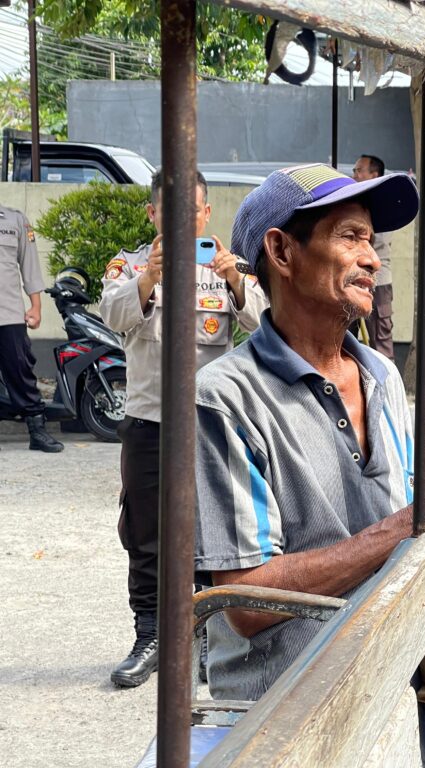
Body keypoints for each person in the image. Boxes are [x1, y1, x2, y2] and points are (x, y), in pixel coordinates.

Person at [192, 163, 425, 767]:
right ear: (282, 251)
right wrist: (416, 521)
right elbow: (247, 601)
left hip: (403, 694)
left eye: (373, 243)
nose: (373, 260)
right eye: (350, 237)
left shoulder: (382, 376)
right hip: (293, 720)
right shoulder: (224, 397)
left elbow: (415, 548)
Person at [99, 169, 268, 688]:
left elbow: (268, 325)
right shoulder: (128, 266)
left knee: (210, 529)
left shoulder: (226, 267)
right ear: (152, 214)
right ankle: (150, 635)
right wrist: (148, 278)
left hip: (209, 422)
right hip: (149, 422)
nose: (179, 220)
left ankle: (203, 637)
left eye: (190, 210)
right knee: (145, 533)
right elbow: (112, 315)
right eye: (167, 210)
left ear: (205, 214)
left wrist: (238, 280)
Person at [0, 204, 64, 452]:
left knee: (20, 370)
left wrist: (36, 307)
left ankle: (37, 431)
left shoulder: (14, 220)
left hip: (8, 313)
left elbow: (30, 265)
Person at [351, 154, 396, 360]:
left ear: (374, 175)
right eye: (354, 170)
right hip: (351, 279)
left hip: (377, 281)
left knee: (380, 339)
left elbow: (373, 243)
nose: (354, 174)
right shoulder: (354, 201)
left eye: (359, 170)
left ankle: (386, 388)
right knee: (346, 336)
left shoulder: (381, 205)